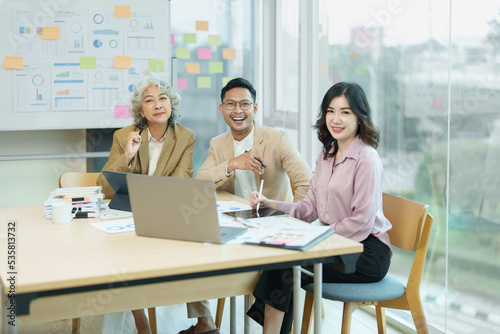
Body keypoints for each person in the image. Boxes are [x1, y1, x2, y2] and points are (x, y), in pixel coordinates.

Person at [246, 82, 393, 334]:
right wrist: (270, 204)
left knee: (287, 266)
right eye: (330, 111)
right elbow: (309, 208)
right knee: (283, 263)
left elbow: (361, 222)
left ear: (360, 117)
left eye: (345, 112)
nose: (336, 119)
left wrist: (316, 237)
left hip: (366, 252)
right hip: (335, 244)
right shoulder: (327, 155)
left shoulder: (367, 159)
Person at [179, 77, 312, 334]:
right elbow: (200, 180)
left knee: (280, 264)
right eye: (231, 104)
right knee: (190, 240)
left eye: (244, 104)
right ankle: (204, 321)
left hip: (271, 226)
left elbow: (306, 185)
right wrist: (232, 164)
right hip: (233, 225)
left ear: (255, 108)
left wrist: (291, 218)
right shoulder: (219, 144)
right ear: (221, 109)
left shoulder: (277, 139)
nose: (237, 111)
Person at [97, 78, 195, 334]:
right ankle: (141, 322)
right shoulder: (124, 135)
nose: (158, 104)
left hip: (165, 215)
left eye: (163, 98)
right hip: (128, 216)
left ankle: (202, 320)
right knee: (122, 259)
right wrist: (127, 156)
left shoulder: (186, 137)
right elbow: (105, 187)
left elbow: (181, 184)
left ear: (171, 104)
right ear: (141, 112)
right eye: (149, 100)